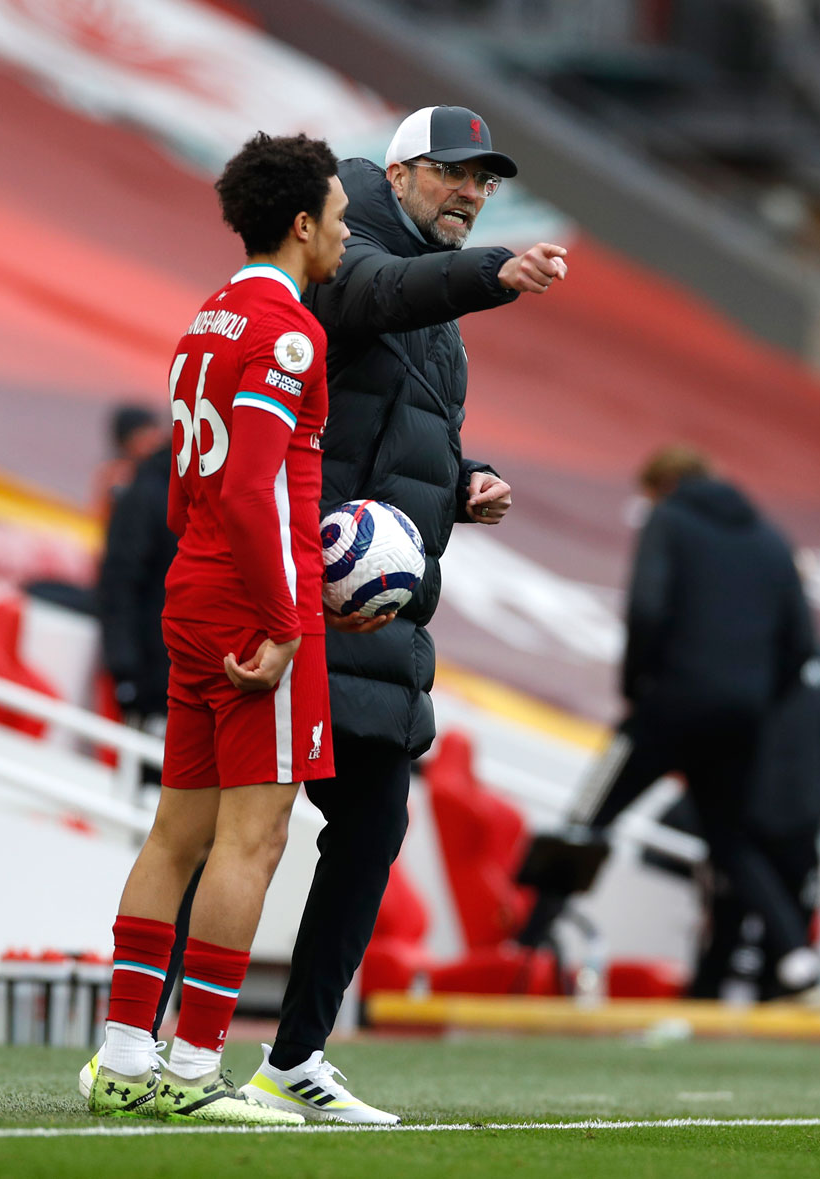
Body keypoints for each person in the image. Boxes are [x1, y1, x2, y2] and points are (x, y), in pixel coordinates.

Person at [229, 104, 569, 1123]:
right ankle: (149, 1040)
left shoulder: (426, 273)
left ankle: (293, 1056)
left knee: (368, 825)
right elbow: (373, 296)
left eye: (487, 183)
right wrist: (490, 270)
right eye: (457, 175)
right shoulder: (351, 244)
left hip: (374, 625)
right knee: (234, 829)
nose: (473, 194)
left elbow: (398, 419)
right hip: (300, 603)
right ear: (402, 172)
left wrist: (466, 478)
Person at [83, 130, 349, 1126]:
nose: (343, 230)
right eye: (338, 215)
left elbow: (190, 487)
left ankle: (122, 1057)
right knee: (255, 836)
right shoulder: (289, 333)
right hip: (254, 603)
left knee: (176, 831)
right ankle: (194, 1072)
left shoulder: (206, 319)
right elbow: (247, 488)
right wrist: (285, 620)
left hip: (196, 592)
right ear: (299, 223)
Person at [518, 444, 820, 997]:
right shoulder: (773, 542)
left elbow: (647, 610)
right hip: (740, 721)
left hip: (667, 707)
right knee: (731, 840)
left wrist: (639, 689)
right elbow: (800, 645)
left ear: (662, 487)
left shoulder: (670, 520)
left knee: (588, 817)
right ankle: (797, 957)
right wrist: (755, 699)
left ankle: (525, 947)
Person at [687, 640, 820, 1000]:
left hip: (799, 822)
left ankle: (787, 976)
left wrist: (819, 801)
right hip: (740, 816)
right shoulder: (736, 654)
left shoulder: (818, 660)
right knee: (727, 927)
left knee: (789, 913)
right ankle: (712, 1000)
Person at [97, 440, 177, 735]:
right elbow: (119, 582)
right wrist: (125, 671)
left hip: (194, 679)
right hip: (153, 680)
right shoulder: (149, 491)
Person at [90, 404, 166, 525]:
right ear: (128, 439)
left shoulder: (156, 468)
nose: (155, 439)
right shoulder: (116, 473)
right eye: (145, 434)